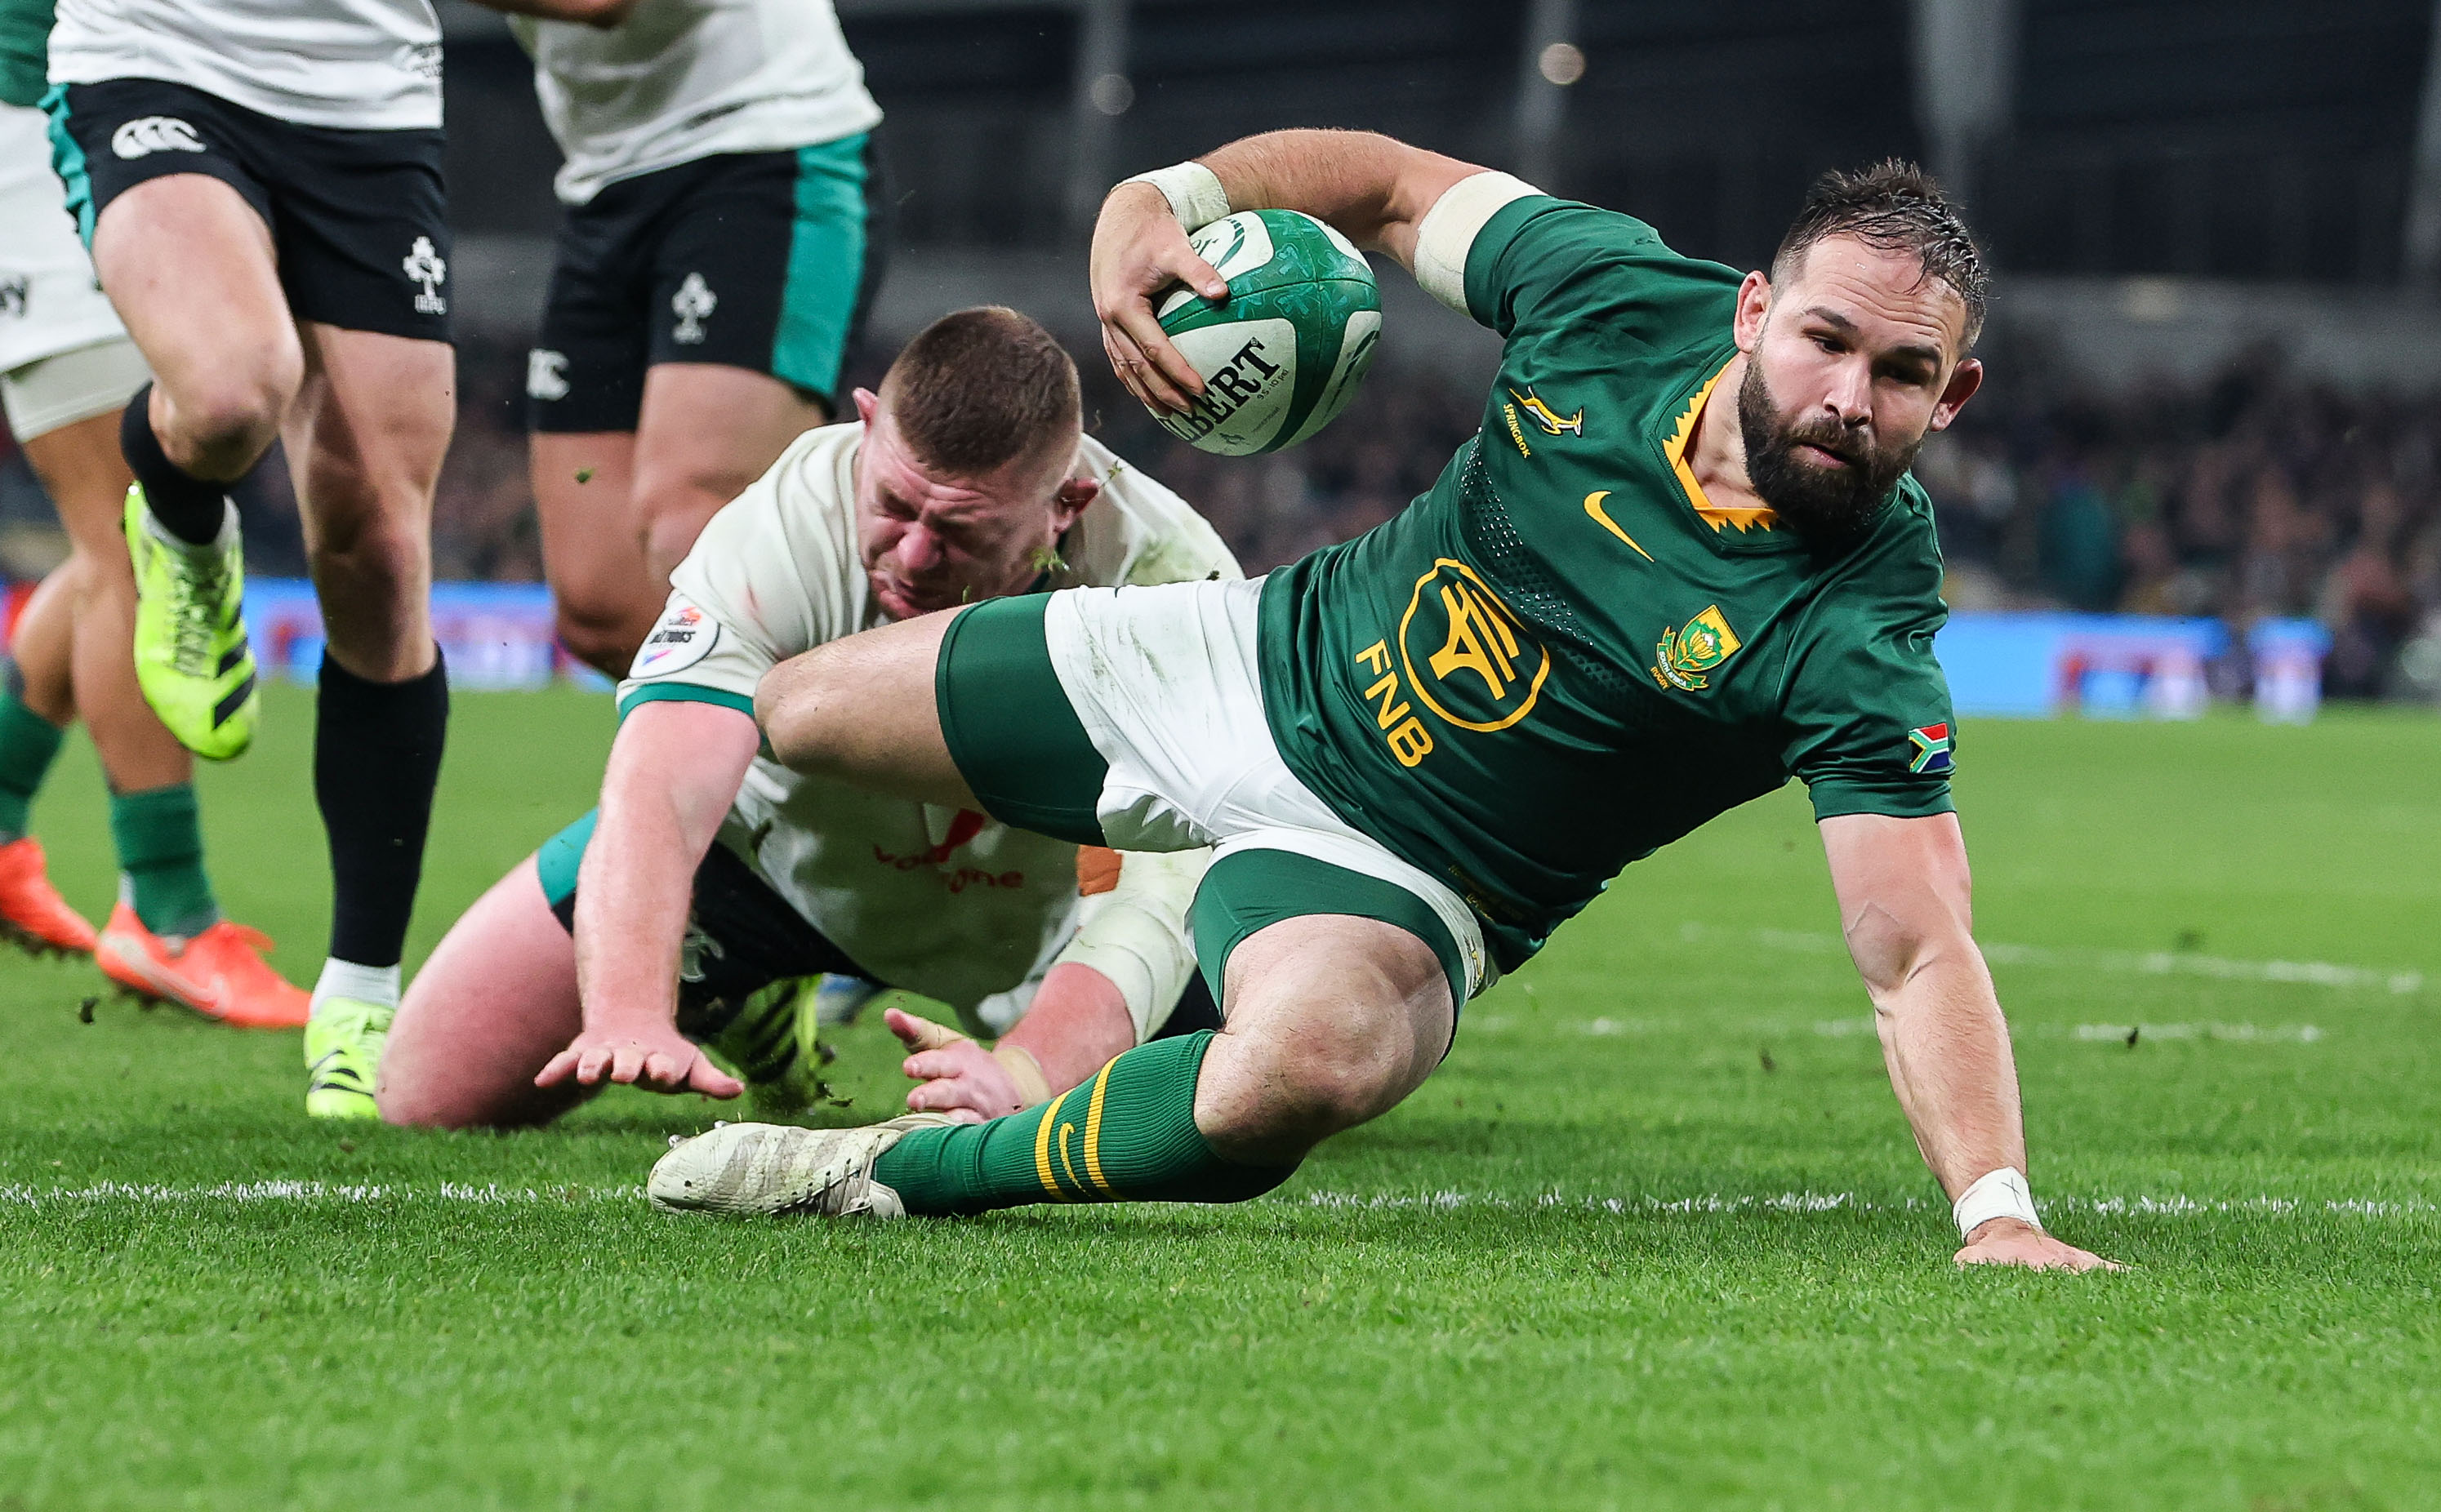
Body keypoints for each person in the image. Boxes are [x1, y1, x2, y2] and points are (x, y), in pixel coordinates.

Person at [648, 132, 2117, 1272]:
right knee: (788, 710)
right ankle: (772, 950)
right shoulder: (1608, 290)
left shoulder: (1860, 625)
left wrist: (1996, 1209)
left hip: (1408, 877)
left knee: (1300, 1068)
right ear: (1752, 312)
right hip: (1245, 659)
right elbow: (1393, 183)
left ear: (1956, 396)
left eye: (1905, 372)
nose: (1852, 396)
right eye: (1827, 341)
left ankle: (885, 1173)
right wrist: (1160, 197)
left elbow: (1915, 947)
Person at [372, 308, 1239, 1128]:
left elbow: (1159, 888)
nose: (914, 557)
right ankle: (748, 999)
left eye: (961, 532)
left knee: (1301, 1051)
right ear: (866, 428)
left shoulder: (1174, 582)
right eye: (895, 506)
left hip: (1049, 919)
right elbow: (662, 781)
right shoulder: (786, 518)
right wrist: (628, 1012)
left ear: (1068, 505)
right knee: (427, 1091)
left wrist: (1026, 1073)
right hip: (778, 865)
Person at [47, 0, 461, 1103]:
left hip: (368, 98)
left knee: (379, 550)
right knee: (231, 390)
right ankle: (184, 528)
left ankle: (361, 994)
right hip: (158, 59)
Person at [0, 0, 301, 1022]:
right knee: (130, 541)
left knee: (112, 546)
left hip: (152, 110)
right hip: (37, 124)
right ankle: (166, 915)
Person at [482, 0, 886, 678]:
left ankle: (876, 739)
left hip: (767, 148)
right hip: (603, 184)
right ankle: (773, 757)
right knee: (600, 607)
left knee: (690, 527)